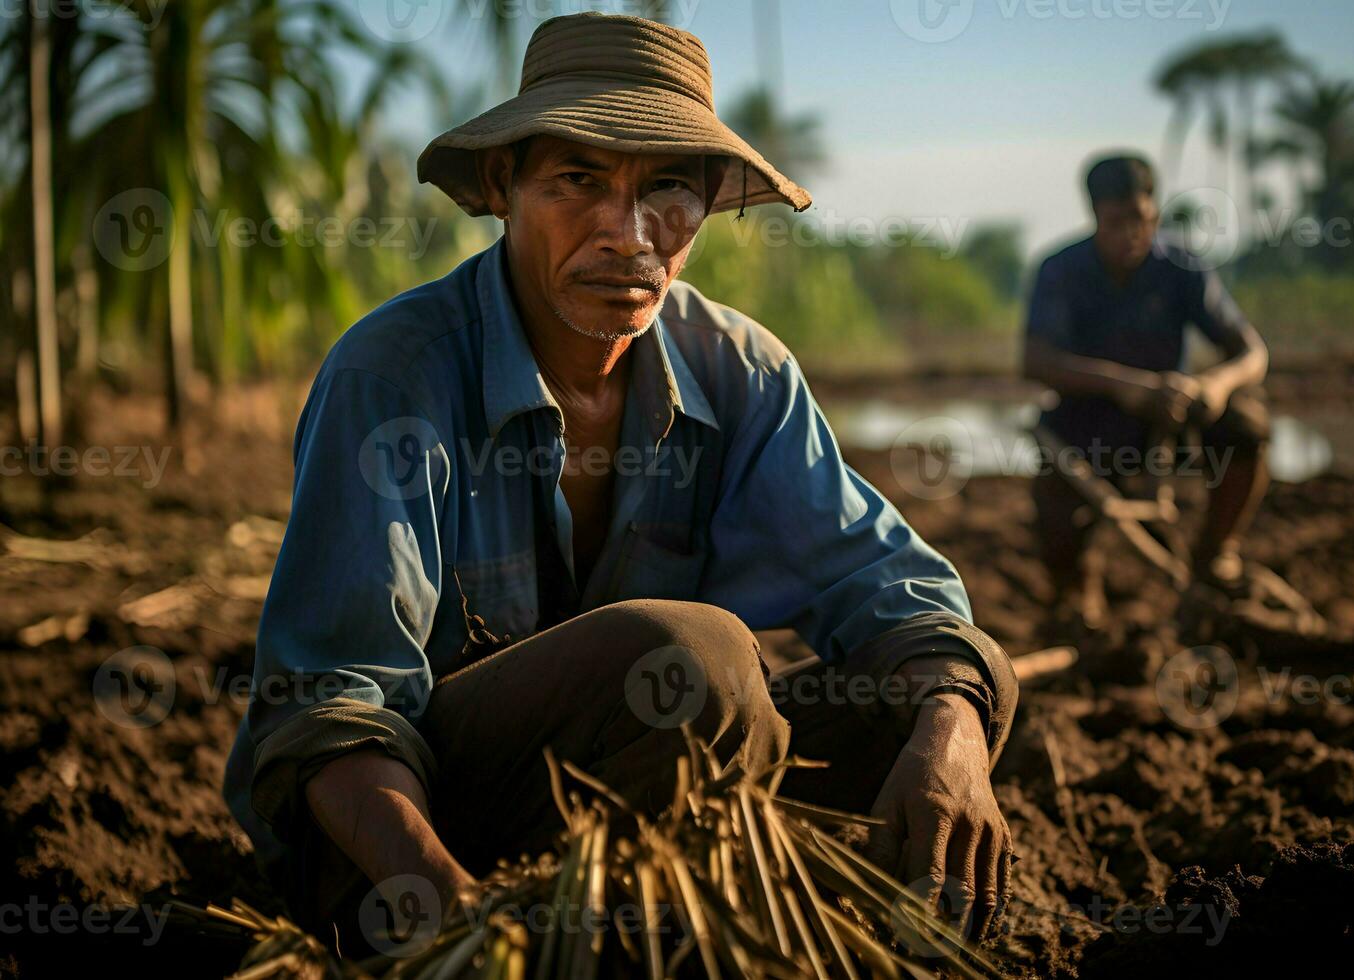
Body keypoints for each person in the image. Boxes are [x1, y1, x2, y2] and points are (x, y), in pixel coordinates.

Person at [222, 11, 1019, 953]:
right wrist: (456, 918)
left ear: (713, 199)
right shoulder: (394, 377)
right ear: (502, 184)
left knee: (938, 694)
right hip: (396, 843)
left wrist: (953, 737)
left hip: (635, 806)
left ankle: (683, 925)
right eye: (578, 180)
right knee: (700, 662)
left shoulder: (739, 371)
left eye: (669, 188)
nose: (629, 234)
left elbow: (896, 593)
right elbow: (331, 708)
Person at [1022, 154, 1271, 613]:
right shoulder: (1060, 270)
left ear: (1154, 212)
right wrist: (1121, 384)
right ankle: (1076, 592)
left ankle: (1216, 553)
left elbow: (1252, 352)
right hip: (1090, 417)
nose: (1130, 233)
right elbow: (1035, 361)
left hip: (1171, 415)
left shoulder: (1181, 266)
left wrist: (1214, 384)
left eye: (1140, 219)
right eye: (1116, 222)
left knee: (1246, 423)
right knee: (1056, 492)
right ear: (1095, 216)